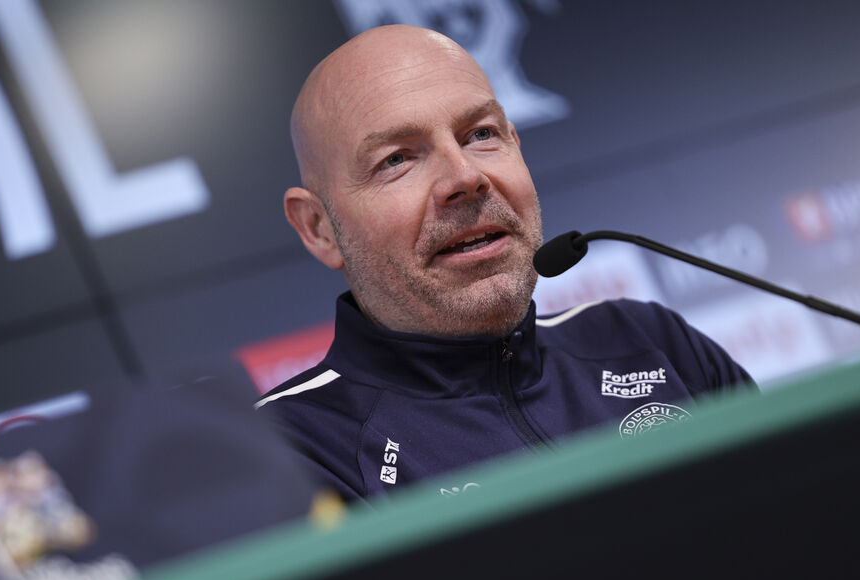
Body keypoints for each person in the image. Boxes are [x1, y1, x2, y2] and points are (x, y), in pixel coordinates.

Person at [256, 24, 752, 501]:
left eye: (480, 134)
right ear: (318, 228)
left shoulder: (647, 341)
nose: (465, 176)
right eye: (397, 159)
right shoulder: (288, 454)